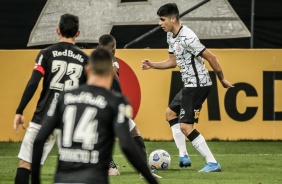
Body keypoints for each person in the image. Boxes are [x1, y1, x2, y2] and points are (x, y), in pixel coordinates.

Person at [31, 48, 158, 184]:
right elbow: (126, 145)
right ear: (113, 72)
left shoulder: (64, 98)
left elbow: (39, 140)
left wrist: (35, 181)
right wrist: (151, 180)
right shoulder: (115, 102)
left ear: (87, 70)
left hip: (63, 179)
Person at [141, 3, 233, 172]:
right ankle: (183, 155)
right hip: (189, 84)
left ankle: (212, 162)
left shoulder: (188, 37)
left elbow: (212, 58)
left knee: (185, 126)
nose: (160, 23)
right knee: (170, 113)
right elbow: (172, 62)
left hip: (198, 85)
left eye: (162, 20)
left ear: (173, 18)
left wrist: (222, 79)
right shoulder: (171, 36)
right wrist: (152, 65)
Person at [13, 14, 88, 184]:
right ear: (78, 33)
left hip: (43, 117)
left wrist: (20, 110)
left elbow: (33, 82)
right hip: (70, 122)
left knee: (26, 163)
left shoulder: (46, 54)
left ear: (57, 30)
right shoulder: (85, 59)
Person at [98, 34, 161, 179]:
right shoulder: (111, 60)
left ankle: (113, 167)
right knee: (131, 134)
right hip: (109, 106)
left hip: (97, 104)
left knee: (127, 133)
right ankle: (141, 172)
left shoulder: (93, 60)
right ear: (114, 47)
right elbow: (113, 76)